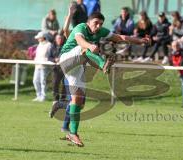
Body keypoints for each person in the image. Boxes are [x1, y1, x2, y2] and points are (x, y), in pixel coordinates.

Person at [59, 12, 149, 146]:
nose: (98, 26)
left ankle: (72, 133)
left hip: (77, 68)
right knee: (83, 48)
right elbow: (79, 40)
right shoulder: (81, 27)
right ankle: (103, 65)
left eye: (101, 24)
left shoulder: (100, 31)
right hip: (66, 59)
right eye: (96, 23)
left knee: (77, 101)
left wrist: (140, 41)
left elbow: (120, 37)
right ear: (89, 22)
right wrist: (89, 46)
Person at [48, 34, 66, 116]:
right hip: (55, 68)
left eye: (61, 38)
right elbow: (49, 57)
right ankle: (56, 99)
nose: (60, 40)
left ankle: (62, 100)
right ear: (55, 39)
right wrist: (54, 59)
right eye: (58, 38)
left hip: (64, 68)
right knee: (55, 83)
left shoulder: (66, 46)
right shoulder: (52, 46)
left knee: (64, 84)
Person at [32, 32, 51, 102]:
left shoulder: (49, 45)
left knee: (43, 81)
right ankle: (38, 95)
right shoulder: (39, 45)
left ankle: (43, 96)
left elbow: (48, 55)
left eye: (39, 38)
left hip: (44, 66)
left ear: (43, 37)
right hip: (37, 65)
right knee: (35, 81)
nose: (38, 39)